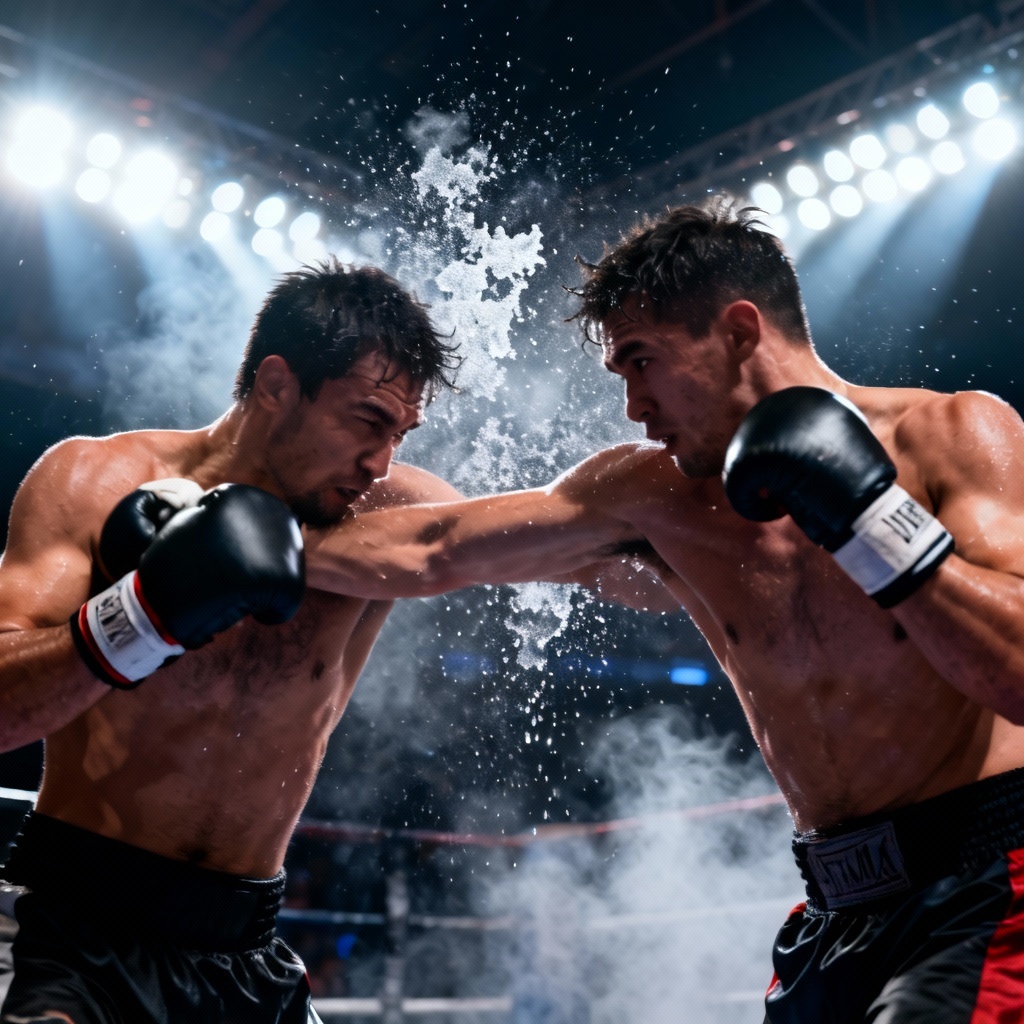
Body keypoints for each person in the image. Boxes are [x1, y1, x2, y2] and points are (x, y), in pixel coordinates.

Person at [303, 197, 1024, 1022]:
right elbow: (436, 547)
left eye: (642, 361)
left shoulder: (949, 435)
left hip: (984, 882)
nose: (633, 406)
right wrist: (227, 542)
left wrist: (870, 521)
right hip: (834, 908)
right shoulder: (654, 496)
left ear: (740, 332)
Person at [0, 259, 657, 1024]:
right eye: (368, 421)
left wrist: (702, 518)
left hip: (245, 949)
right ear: (276, 385)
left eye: (400, 434)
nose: (380, 462)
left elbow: (605, 568)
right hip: (79, 928)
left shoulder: (389, 513)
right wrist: (142, 617)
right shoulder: (95, 481)